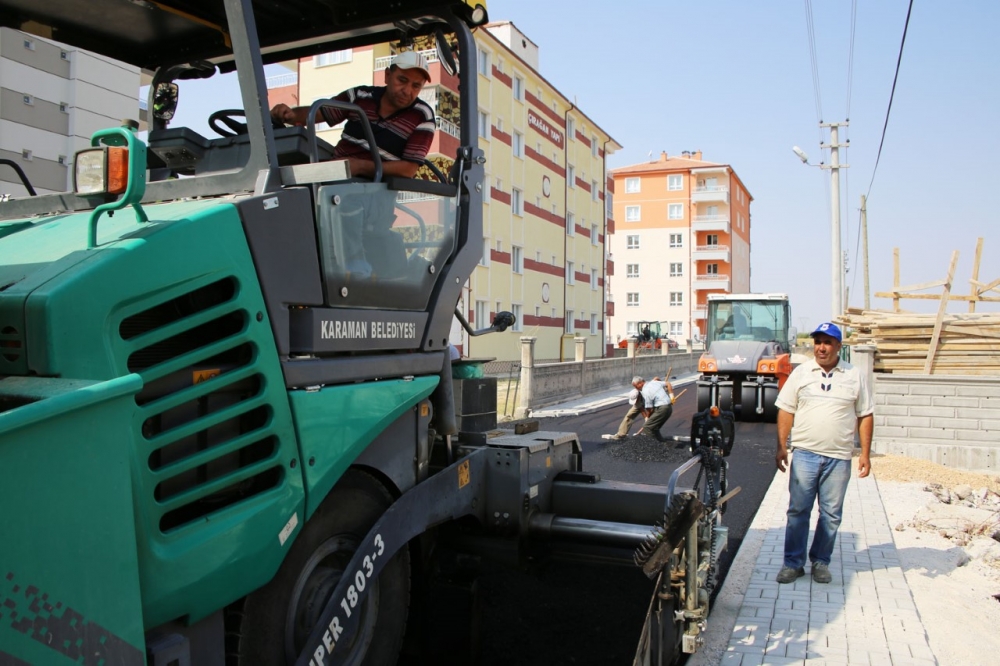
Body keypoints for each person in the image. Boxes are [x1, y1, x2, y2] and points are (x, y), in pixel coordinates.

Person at [774, 322, 874, 585]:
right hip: (805, 454)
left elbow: (865, 414)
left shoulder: (854, 375)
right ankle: (792, 563)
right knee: (798, 511)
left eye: (827, 343)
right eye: (818, 342)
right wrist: (781, 446)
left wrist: (865, 453)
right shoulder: (802, 373)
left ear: (838, 346)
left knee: (831, 514)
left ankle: (820, 561)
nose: (821, 347)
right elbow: (786, 409)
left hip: (839, 458)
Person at [270, 50, 435, 179]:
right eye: (402, 80)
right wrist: (290, 114)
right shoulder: (359, 95)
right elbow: (319, 113)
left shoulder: (423, 116)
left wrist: (359, 166)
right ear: (387, 75)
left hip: (377, 192)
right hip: (335, 177)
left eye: (416, 86)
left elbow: (409, 169)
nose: (407, 91)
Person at [635, 376, 676, 441]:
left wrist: (647, 418)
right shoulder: (654, 383)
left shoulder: (646, 391)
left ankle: (654, 446)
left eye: (635, 386)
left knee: (647, 427)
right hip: (668, 408)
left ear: (640, 383)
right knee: (654, 428)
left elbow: (649, 409)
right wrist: (671, 396)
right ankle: (661, 442)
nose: (636, 388)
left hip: (662, 409)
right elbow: (668, 383)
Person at [611, 376, 650, 440]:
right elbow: (640, 407)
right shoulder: (637, 393)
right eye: (634, 386)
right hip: (642, 401)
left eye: (635, 386)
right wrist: (646, 417)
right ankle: (621, 434)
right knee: (629, 415)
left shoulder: (648, 389)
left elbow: (650, 408)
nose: (635, 387)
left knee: (653, 418)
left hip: (653, 402)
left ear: (640, 383)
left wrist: (648, 417)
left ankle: (651, 433)